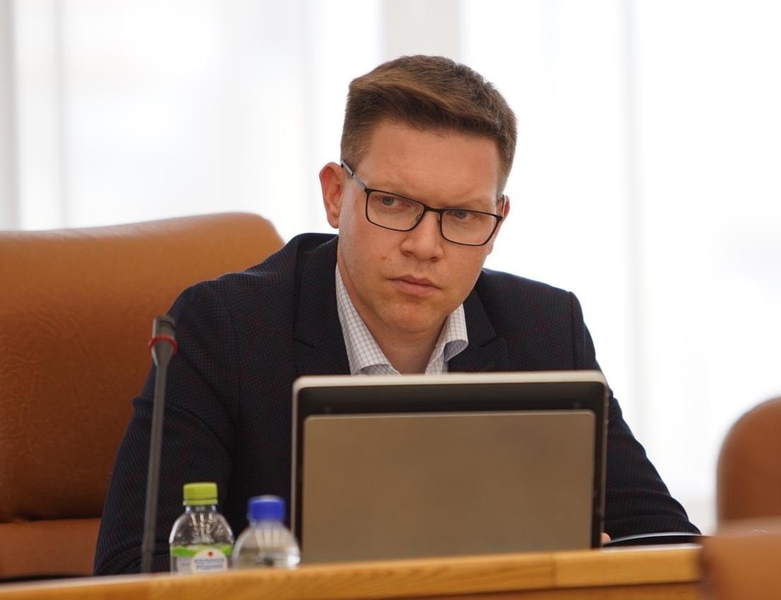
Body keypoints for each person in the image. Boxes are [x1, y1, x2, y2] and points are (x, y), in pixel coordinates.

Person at [94, 55, 697, 574]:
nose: (425, 245)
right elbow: (132, 569)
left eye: (463, 215)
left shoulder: (543, 327)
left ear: (497, 224)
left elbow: (668, 547)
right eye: (393, 202)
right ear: (336, 195)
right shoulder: (223, 328)